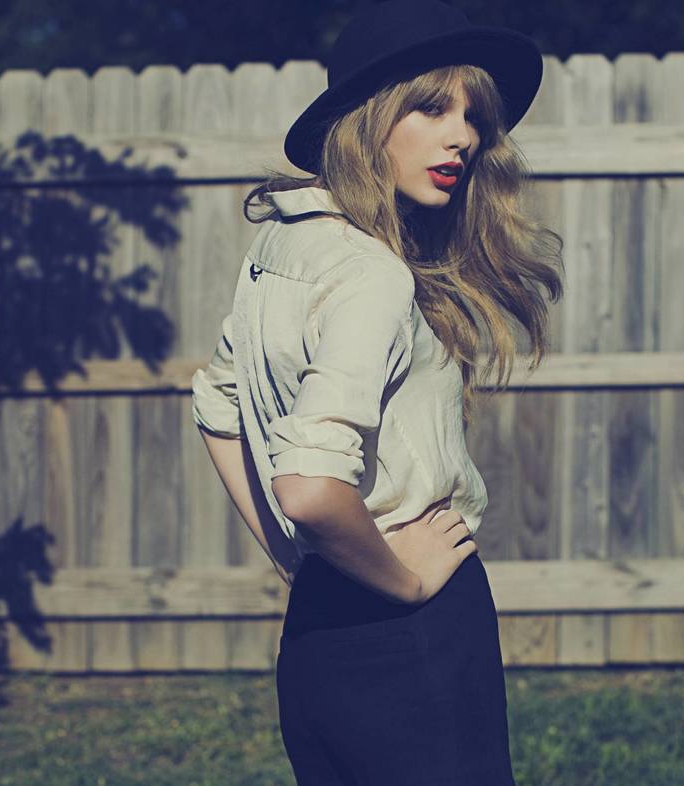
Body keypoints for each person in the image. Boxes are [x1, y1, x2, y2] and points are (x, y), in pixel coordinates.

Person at [191, 1, 563, 783]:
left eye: (471, 115)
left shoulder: (283, 242)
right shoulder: (371, 273)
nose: (461, 134)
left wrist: (303, 565)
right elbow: (312, 488)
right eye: (430, 106)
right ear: (368, 119)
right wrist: (406, 580)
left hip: (320, 637)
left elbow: (217, 411)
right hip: (414, 634)